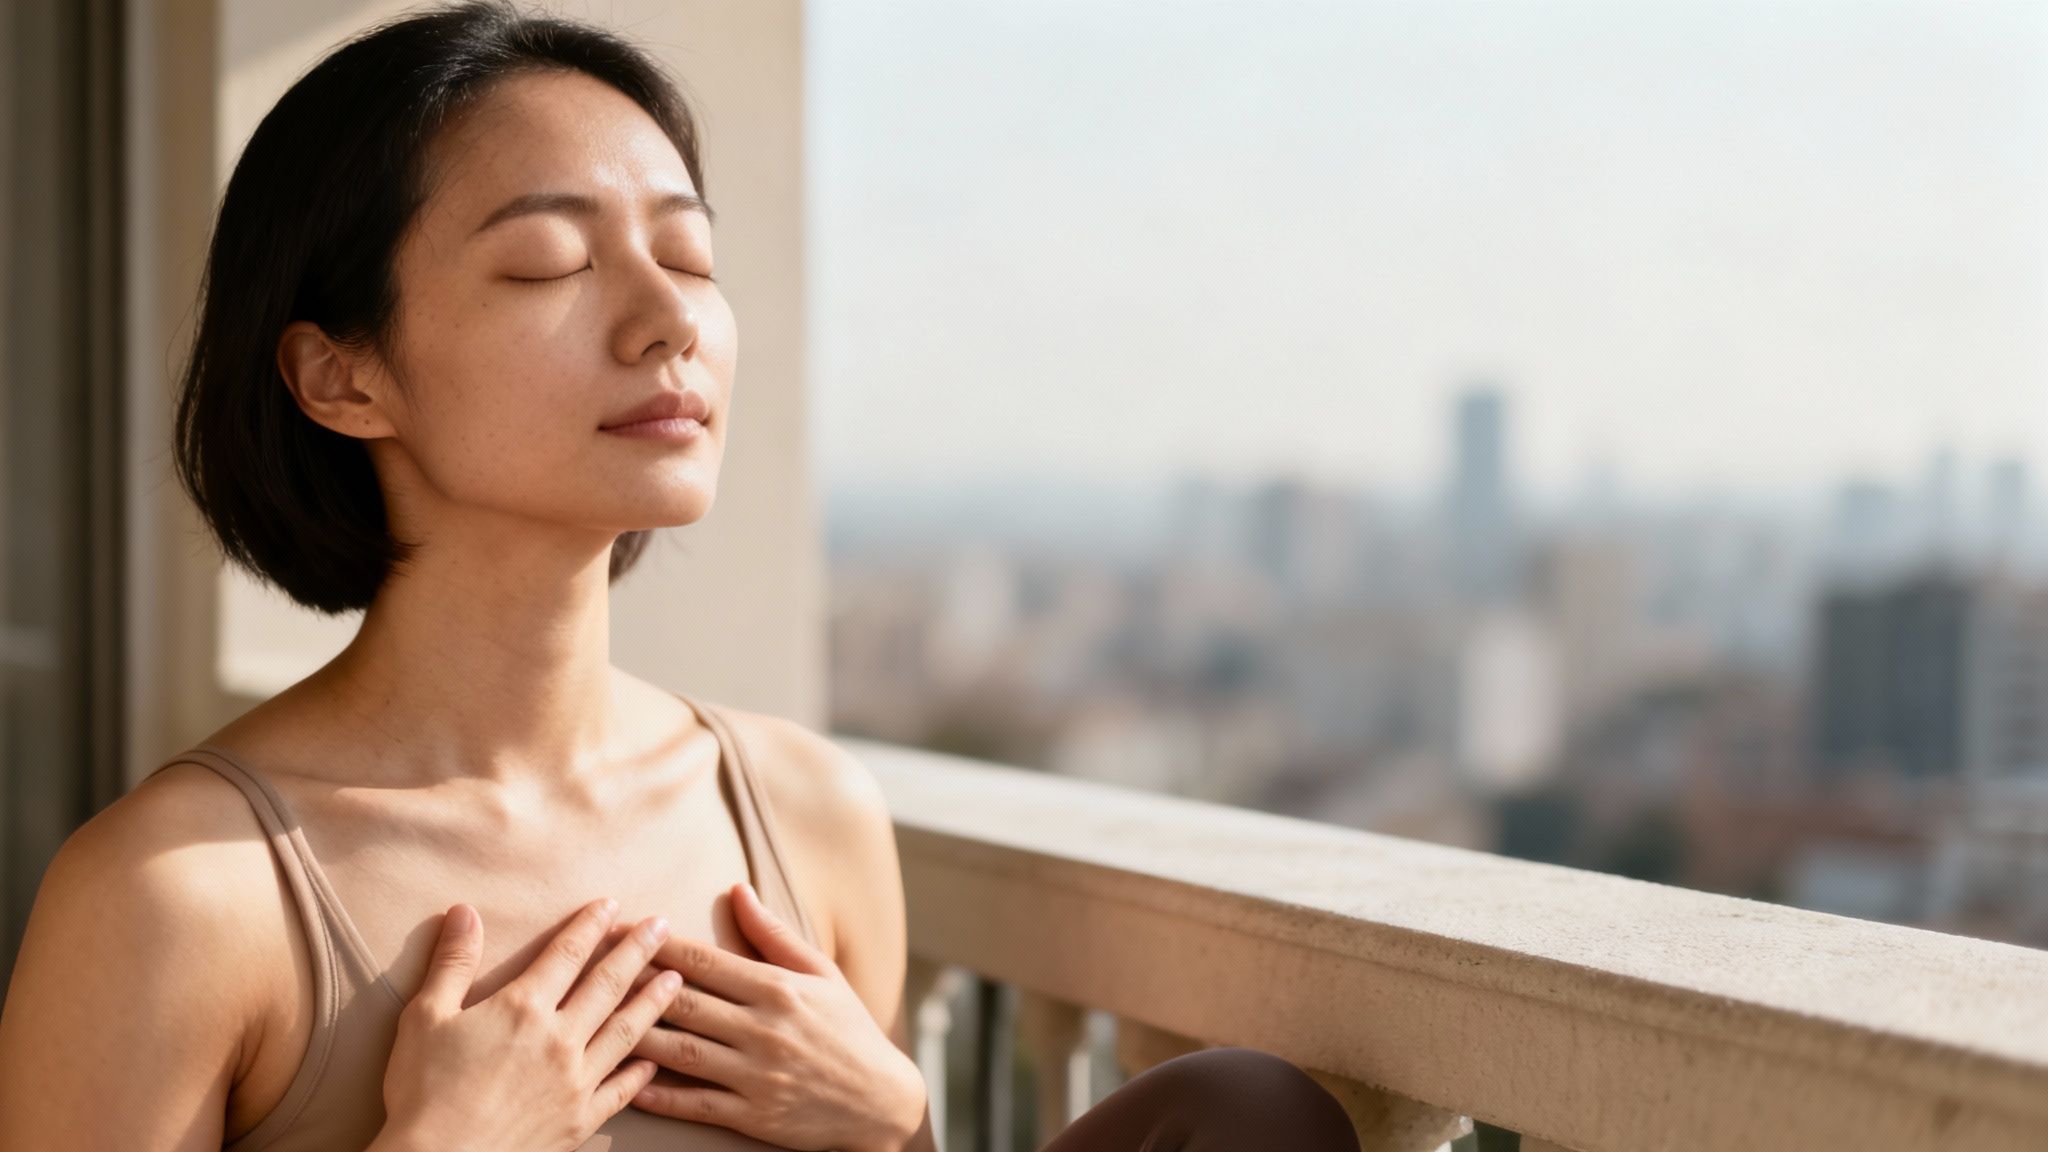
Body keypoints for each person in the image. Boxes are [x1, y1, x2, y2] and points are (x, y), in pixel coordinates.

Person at [0, 3, 1362, 1150]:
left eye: (690, 255)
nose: (668, 323)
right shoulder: (179, 899)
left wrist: (895, 1125)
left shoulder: (805, 813)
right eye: (552, 261)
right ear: (341, 376)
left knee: (1244, 1114)